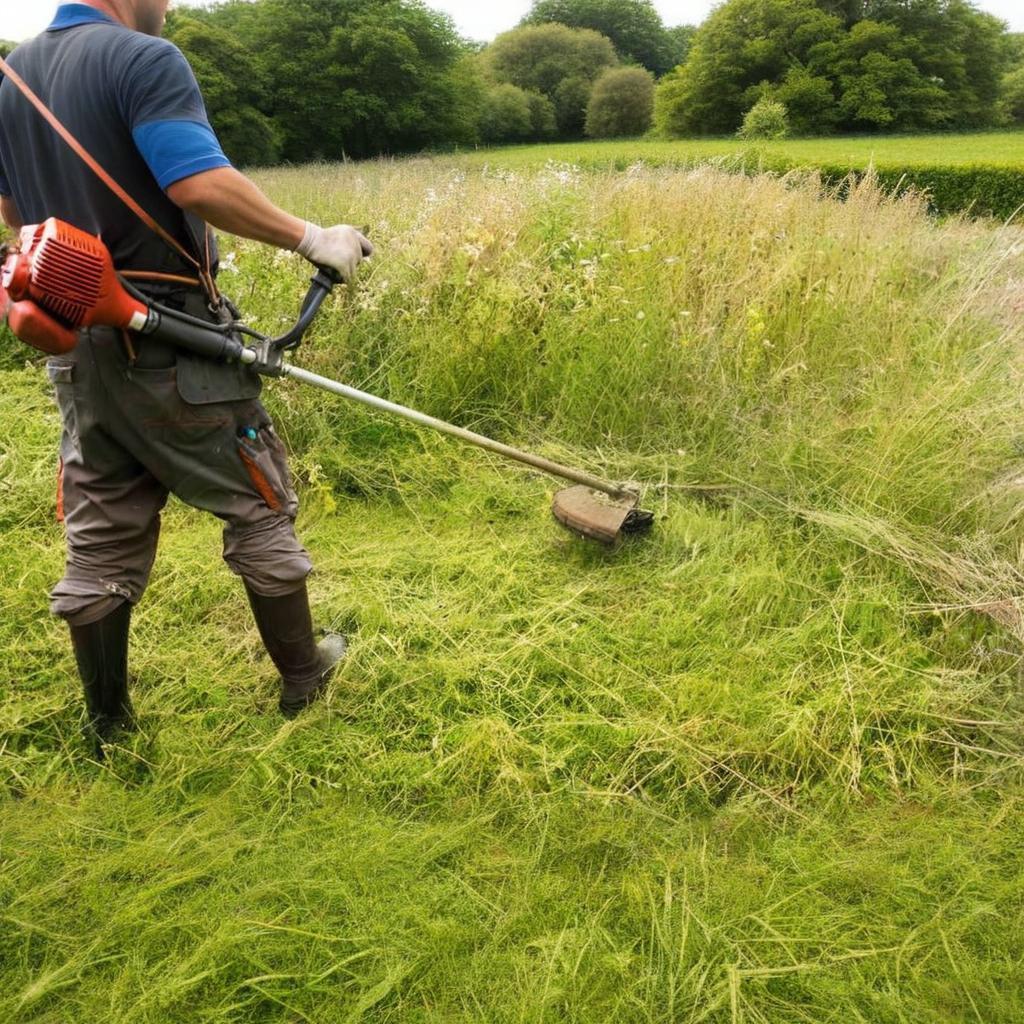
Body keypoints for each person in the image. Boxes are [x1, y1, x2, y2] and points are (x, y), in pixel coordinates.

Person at [0, 0, 373, 750]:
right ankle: (305, 679)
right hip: (171, 338)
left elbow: (15, 214)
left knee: (101, 531)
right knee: (257, 499)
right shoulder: (143, 60)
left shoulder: (10, 80)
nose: (167, 5)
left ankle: (108, 726)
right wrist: (313, 237)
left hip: (79, 347)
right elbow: (197, 183)